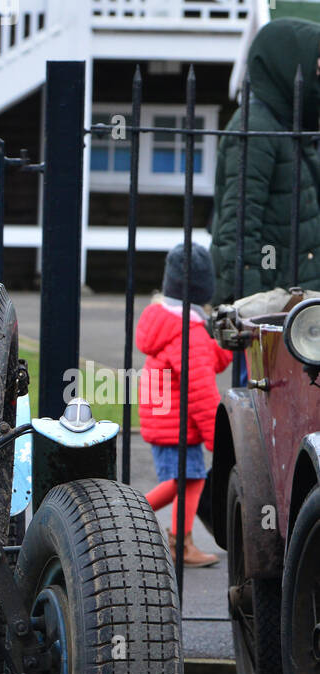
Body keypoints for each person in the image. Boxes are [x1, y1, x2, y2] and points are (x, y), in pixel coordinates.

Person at [210, 17, 320, 305]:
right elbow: (238, 229)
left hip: (297, 300)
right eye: (316, 67)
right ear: (288, 66)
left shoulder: (291, 126)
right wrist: (252, 307)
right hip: (275, 303)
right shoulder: (256, 128)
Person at [137, 244, 232, 567]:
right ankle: (131, 517)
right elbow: (202, 388)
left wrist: (222, 342)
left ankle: (180, 541)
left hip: (166, 416)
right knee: (184, 479)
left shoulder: (171, 323)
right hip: (176, 422)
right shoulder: (187, 333)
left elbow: (209, 363)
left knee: (188, 479)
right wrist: (217, 437)